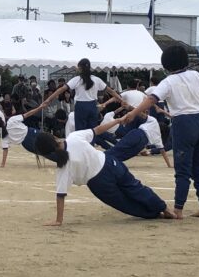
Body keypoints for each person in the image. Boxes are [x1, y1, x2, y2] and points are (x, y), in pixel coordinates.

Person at [124, 46, 199, 219]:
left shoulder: (168, 82)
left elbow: (151, 99)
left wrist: (133, 113)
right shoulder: (195, 75)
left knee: (183, 170)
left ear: (166, 65)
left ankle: (179, 209)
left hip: (184, 123)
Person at [34, 119, 174, 226]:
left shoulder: (63, 166)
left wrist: (59, 220)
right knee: (135, 187)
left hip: (99, 183)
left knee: (125, 203)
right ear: (54, 137)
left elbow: (61, 195)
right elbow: (98, 130)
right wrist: (118, 120)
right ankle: (165, 208)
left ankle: (155, 214)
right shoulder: (74, 137)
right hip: (110, 162)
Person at [42, 58, 123, 148]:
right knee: (92, 131)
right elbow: (110, 91)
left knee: (80, 131)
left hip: (81, 107)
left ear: (80, 68)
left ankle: (82, 149)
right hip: (93, 107)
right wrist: (121, 99)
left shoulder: (76, 79)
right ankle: (91, 148)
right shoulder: (96, 79)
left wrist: (48, 99)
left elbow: (61, 89)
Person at [106, 112, 172, 168]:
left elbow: (140, 114)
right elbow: (163, 152)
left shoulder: (154, 121)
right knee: (125, 155)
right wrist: (169, 165)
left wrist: (131, 111)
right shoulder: (158, 138)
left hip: (137, 133)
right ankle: (109, 162)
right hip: (141, 144)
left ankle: (103, 158)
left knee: (119, 148)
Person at [0, 103, 47, 167]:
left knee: (43, 151)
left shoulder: (3, 135)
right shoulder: (11, 120)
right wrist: (40, 108)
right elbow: (28, 114)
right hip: (30, 133)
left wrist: (2, 164)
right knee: (48, 139)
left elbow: (5, 150)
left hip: (25, 143)